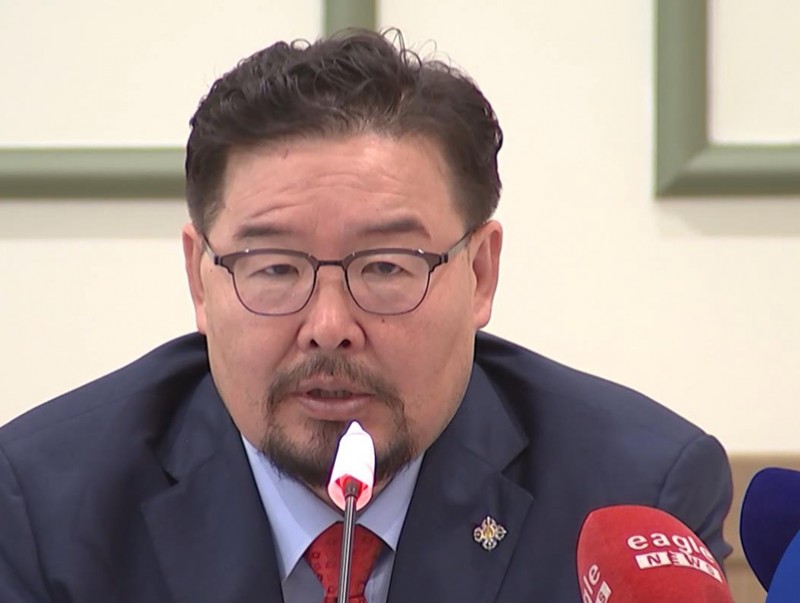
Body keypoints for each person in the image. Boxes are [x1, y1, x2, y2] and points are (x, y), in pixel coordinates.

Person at [0, 29, 732, 602]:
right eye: (275, 268)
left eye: (385, 267)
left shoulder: (632, 493)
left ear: (480, 273)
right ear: (201, 278)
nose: (329, 325)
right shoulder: (44, 505)